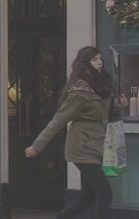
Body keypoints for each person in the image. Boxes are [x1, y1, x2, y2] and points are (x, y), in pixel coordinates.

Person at [27, 46, 119, 219]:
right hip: (82, 148)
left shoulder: (101, 84)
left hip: (96, 144)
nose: (99, 62)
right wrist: (38, 146)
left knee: (87, 197)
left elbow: (101, 114)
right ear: (85, 64)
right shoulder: (80, 91)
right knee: (105, 193)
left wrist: (117, 106)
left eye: (100, 59)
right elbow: (59, 120)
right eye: (94, 60)